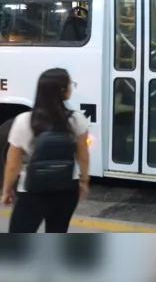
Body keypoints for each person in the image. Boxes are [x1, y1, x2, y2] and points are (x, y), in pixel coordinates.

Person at [1, 68, 90, 233]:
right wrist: (83, 181)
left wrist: (6, 190)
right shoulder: (77, 119)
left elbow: (13, 163)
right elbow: (83, 156)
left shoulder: (23, 121)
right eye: (70, 84)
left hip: (32, 190)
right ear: (63, 91)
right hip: (67, 188)